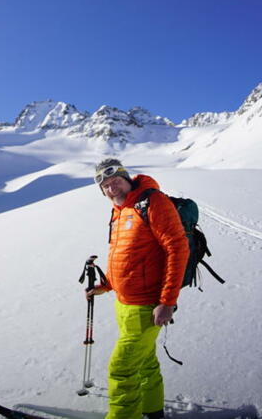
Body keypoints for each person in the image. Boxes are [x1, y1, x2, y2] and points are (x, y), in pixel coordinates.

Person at [86, 158, 189, 419]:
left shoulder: (151, 202)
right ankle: (154, 413)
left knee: (121, 369)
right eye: (105, 186)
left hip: (147, 306)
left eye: (116, 181)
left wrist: (167, 302)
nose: (112, 189)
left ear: (127, 178)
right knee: (144, 363)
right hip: (125, 304)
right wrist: (107, 285)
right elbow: (123, 253)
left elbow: (177, 248)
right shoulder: (119, 210)